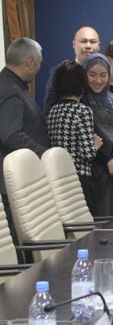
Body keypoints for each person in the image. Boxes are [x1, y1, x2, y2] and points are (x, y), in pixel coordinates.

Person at [0, 38, 49, 241]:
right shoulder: (10, 90)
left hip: (15, 180)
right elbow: (11, 135)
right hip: (12, 183)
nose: (38, 68)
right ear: (30, 62)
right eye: (39, 63)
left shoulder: (11, 84)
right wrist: (44, 154)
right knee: (15, 243)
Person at [83, 53, 113, 217]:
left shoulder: (112, 98)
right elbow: (88, 137)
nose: (98, 80)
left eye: (103, 75)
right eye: (92, 74)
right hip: (95, 170)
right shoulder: (82, 100)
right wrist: (108, 161)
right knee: (102, 219)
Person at [47, 61, 103, 206]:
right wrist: (96, 144)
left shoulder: (53, 111)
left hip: (58, 176)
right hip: (80, 178)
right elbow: (88, 153)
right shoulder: (82, 111)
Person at [44, 26, 101, 113]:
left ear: (98, 46)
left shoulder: (105, 75)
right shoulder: (60, 72)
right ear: (74, 44)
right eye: (83, 41)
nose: (88, 46)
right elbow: (49, 110)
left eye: (93, 42)